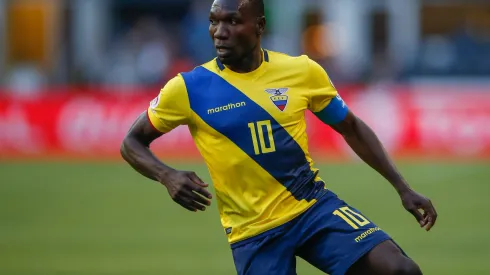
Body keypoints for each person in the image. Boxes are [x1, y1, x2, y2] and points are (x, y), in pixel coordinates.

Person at [120, 0, 437, 274]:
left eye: (232, 21)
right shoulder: (188, 88)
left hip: (312, 208)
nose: (220, 31)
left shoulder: (301, 71)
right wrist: (167, 176)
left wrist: (402, 187)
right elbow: (131, 142)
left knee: (400, 270)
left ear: (259, 26)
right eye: (213, 21)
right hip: (254, 233)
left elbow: (350, 127)